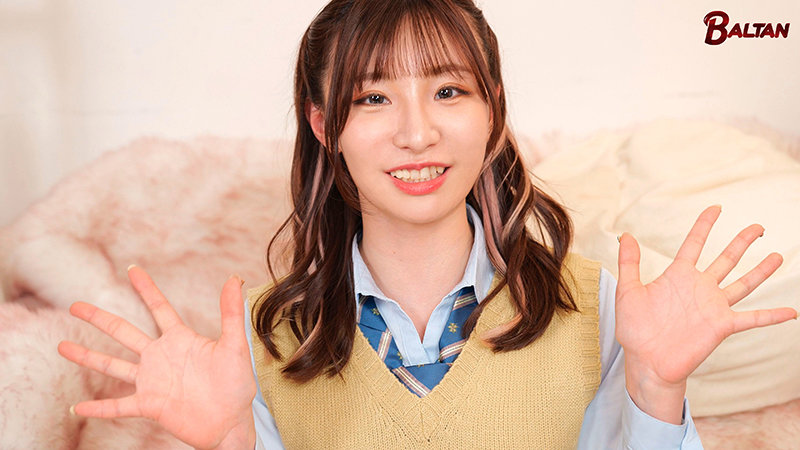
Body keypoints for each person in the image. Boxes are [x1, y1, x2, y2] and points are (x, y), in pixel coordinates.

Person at [57, 0, 797, 448]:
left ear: (493, 111)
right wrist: (229, 443)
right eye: (373, 98)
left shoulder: (597, 306)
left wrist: (658, 387)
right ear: (324, 125)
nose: (417, 134)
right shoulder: (260, 340)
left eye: (448, 91)